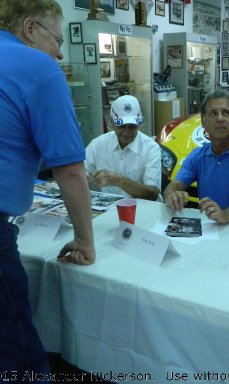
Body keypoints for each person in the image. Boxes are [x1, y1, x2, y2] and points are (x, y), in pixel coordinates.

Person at [0, 0, 96, 380]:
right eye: (57, 38)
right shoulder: (39, 68)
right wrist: (85, 240)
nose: (59, 51)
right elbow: (70, 170)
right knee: (17, 349)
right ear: (29, 28)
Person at [163, 89, 229, 224]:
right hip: (210, 228)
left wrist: (225, 215)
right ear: (203, 122)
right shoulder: (198, 155)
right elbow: (176, 184)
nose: (220, 118)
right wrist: (171, 195)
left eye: (225, 112)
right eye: (213, 113)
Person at [85, 95, 162, 201]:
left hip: (143, 209)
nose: (127, 132)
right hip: (110, 209)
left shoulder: (151, 148)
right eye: (121, 126)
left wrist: (119, 180)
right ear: (111, 124)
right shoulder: (97, 145)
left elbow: (153, 193)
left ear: (140, 124)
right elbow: (81, 175)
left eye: (132, 126)